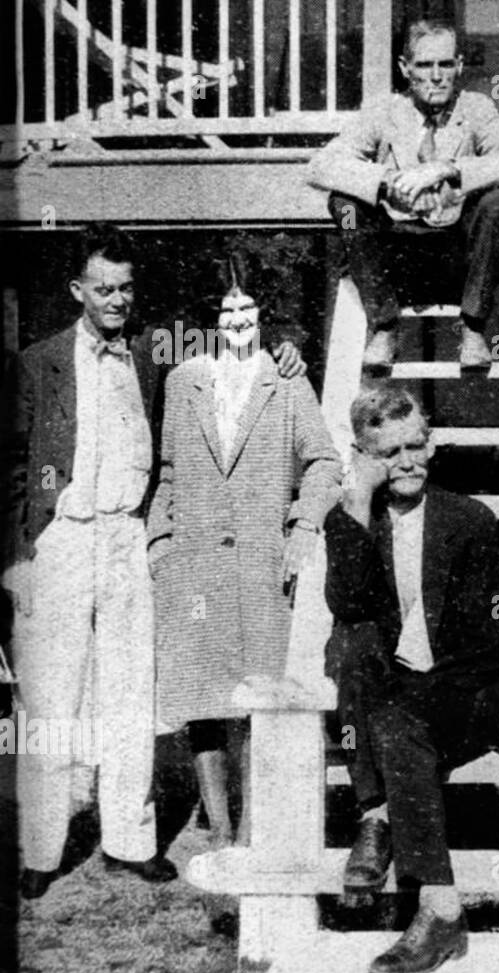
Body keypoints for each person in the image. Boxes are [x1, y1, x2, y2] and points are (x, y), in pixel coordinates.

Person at [1, 226, 304, 902]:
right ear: (77, 290)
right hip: (62, 538)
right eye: (102, 288)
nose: (115, 299)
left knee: (131, 689)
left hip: (128, 538)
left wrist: (288, 353)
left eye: (126, 287)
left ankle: (129, 840)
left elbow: (237, 347)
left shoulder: (148, 355)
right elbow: (13, 467)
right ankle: (42, 847)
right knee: (51, 693)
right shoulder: (38, 362)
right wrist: (19, 555)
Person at [147, 250, 341, 859]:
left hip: (263, 561)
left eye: (247, 309)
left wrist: (304, 523)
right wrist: (161, 545)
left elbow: (325, 462)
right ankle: (221, 832)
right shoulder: (184, 382)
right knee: (203, 703)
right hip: (196, 565)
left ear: (264, 316)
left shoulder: (286, 379)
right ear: (211, 319)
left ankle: (257, 833)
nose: (236, 321)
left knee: (260, 699)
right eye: (226, 311)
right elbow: (169, 472)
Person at [323, 382, 499, 973]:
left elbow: (486, 644)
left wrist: (414, 699)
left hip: (467, 697)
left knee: (396, 721)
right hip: (394, 700)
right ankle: (437, 903)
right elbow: (348, 603)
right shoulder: (353, 519)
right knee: (351, 641)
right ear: (363, 457)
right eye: (387, 453)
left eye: (416, 446)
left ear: (431, 445)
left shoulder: (470, 519)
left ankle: (376, 820)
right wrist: (356, 499)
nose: (406, 462)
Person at [306, 19, 499, 369]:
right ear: (405, 68)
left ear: (459, 66)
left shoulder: (476, 109)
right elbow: (320, 166)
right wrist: (386, 180)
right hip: (400, 262)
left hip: (461, 262)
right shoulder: (384, 112)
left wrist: (450, 169)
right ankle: (384, 326)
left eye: (445, 64)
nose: (436, 76)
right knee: (345, 204)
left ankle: (474, 328)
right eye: (425, 65)